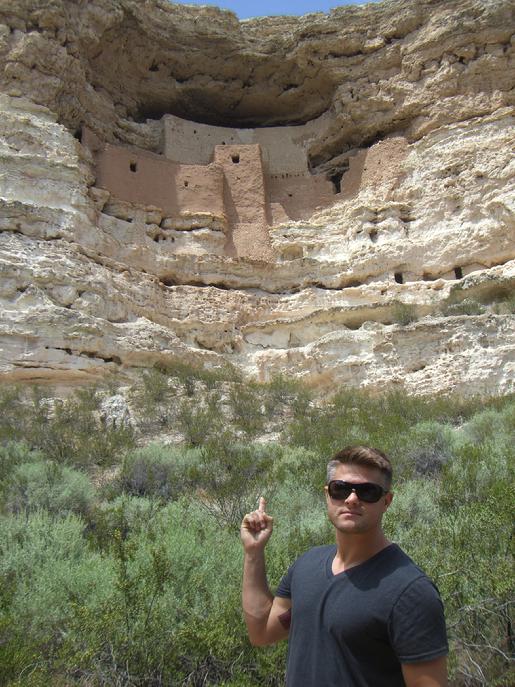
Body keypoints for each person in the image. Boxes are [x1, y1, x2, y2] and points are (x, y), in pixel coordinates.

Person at [240, 446, 448, 687]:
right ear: (327, 494)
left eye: (367, 492)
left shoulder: (410, 592)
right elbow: (262, 632)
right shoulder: (306, 566)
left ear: (387, 501)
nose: (351, 499)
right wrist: (253, 553)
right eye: (341, 489)